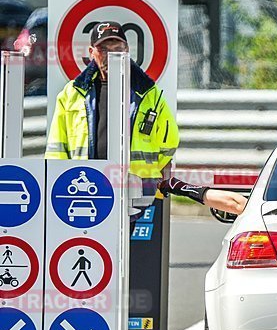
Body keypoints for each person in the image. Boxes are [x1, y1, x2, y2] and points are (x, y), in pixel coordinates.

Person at [45, 21, 179, 211]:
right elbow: (56, 148)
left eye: (118, 48)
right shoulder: (72, 94)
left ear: (128, 50)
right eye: (104, 49)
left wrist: (151, 180)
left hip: (135, 195)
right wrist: (57, 184)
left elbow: (169, 144)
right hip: (85, 190)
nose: (111, 55)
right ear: (91, 52)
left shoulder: (149, 94)